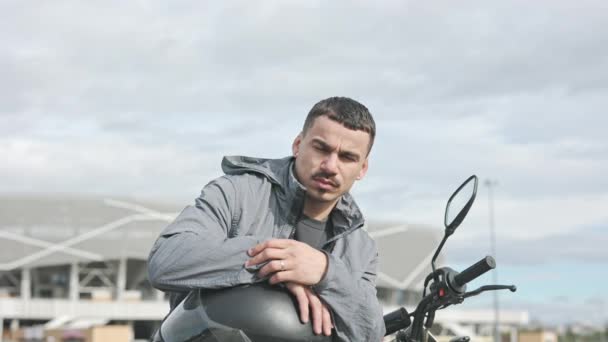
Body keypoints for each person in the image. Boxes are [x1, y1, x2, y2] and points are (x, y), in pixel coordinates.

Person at [147, 96, 386, 341]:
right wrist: (278, 263)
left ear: (362, 169)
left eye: (347, 157)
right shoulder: (237, 193)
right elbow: (166, 259)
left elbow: (370, 332)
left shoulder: (361, 248)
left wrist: (326, 272)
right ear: (298, 144)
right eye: (321, 148)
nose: (330, 166)